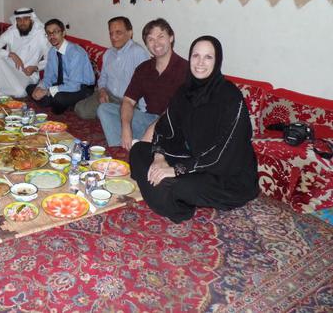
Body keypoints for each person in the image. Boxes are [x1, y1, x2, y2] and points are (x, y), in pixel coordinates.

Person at [129, 36, 260, 223]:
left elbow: (222, 154)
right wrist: (160, 159)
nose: (200, 63)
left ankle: (175, 205)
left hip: (226, 174)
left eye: (208, 57)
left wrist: (175, 170)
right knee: (138, 150)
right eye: (195, 56)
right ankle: (162, 192)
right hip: (194, 160)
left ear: (217, 62)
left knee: (177, 185)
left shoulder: (230, 97)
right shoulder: (184, 92)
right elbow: (165, 128)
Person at [97, 18, 187, 149]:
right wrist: (126, 127)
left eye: (161, 37)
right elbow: (128, 101)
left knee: (172, 132)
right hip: (149, 118)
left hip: (174, 123)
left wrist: (152, 129)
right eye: (151, 39)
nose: (156, 43)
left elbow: (177, 110)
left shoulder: (185, 69)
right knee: (105, 109)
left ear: (171, 38)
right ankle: (127, 145)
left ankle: (147, 145)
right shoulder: (143, 68)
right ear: (147, 44)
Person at [74, 16, 149, 119]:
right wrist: (102, 91)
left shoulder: (138, 52)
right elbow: (103, 78)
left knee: (111, 114)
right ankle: (109, 115)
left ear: (130, 33)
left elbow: (145, 85)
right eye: (111, 33)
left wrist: (144, 113)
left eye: (118, 32)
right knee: (80, 109)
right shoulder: (109, 53)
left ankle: (111, 116)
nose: (113, 37)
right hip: (108, 96)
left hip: (128, 102)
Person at [26, 19, 95, 114]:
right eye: (48, 33)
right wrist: (40, 87)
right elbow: (48, 77)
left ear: (63, 33)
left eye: (55, 32)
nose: (52, 36)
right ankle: (56, 103)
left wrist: (47, 92)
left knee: (58, 98)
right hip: (61, 85)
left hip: (82, 88)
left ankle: (54, 102)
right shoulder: (52, 52)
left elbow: (74, 85)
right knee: (30, 88)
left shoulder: (75, 53)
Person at [0, 7, 50, 98]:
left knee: (19, 93)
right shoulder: (12, 32)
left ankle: (3, 90)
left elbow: (50, 59)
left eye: (25, 19)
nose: (22, 23)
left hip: (28, 74)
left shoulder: (41, 35)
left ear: (32, 19)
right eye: (19, 20)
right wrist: (11, 54)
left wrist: (36, 68)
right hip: (11, 68)